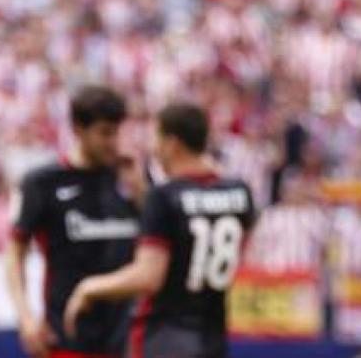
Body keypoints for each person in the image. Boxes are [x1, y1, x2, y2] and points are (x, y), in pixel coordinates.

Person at [64, 103, 256, 358]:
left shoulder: (165, 196)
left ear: (172, 143)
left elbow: (148, 276)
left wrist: (90, 287)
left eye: (156, 138)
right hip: (213, 336)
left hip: (163, 337)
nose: (153, 148)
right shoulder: (239, 192)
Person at [5, 86, 142, 358]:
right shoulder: (43, 182)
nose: (113, 142)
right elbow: (14, 252)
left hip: (126, 343)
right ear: (78, 129)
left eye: (116, 132)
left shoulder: (130, 178)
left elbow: (153, 247)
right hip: (67, 341)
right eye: (104, 132)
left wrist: (142, 193)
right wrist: (26, 318)